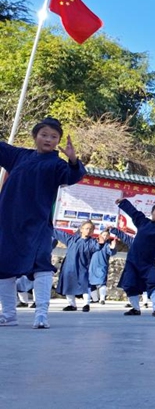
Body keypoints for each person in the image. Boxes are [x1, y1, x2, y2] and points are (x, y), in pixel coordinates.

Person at [0, 117, 85, 329]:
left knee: (41, 265)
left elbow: (72, 175)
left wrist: (74, 161)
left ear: (58, 141)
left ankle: (41, 315)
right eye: (44, 134)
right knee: (4, 267)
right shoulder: (20, 156)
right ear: (35, 136)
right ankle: (9, 315)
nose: (48, 139)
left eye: (53, 136)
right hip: (9, 222)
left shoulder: (57, 164)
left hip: (37, 224)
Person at [114, 199, 155, 317]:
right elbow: (133, 212)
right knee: (129, 284)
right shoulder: (143, 222)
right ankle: (135, 308)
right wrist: (123, 202)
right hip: (132, 261)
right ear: (152, 211)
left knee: (152, 283)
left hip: (148, 263)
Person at [54, 222, 106, 312]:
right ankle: (72, 305)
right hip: (69, 267)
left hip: (83, 267)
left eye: (90, 229)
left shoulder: (92, 242)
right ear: (81, 229)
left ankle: (86, 304)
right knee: (68, 285)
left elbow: (97, 247)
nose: (88, 231)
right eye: (86, 228)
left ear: (93, 231)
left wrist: (101, 244)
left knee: (84, 285)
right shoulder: (71, 239)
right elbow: (57, 232)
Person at [88, 230, 116, 304]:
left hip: (102, 266)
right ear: (100, 235)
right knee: (90, 282)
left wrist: (112, 248)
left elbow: (111, 252)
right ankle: (94, 299)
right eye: (104, 235)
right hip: (92, 266)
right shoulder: (94, 242)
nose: (105, 237)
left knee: (102, 282)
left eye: (107, 235)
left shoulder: (107, 245)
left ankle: (102, 299)